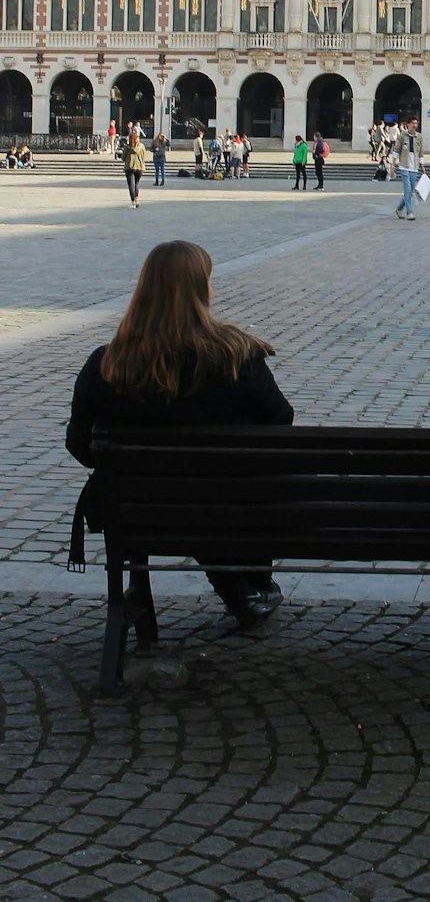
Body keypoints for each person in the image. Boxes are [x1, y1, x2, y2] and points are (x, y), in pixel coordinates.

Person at [66, 240, 292, 630]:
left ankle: (242, 588)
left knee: (189, 495)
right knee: (237, 487)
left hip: (136, 512)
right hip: (234, 506)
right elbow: (280, 424)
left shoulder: (107, 364)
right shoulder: (238, 356)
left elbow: (79, 444)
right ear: (203, 289)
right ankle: (251, 582)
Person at [393, 116, 425, 220]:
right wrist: (393, 165)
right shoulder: (402, 135)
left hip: (414, 166)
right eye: (412, 123)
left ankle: (399, 208)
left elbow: (420, 152)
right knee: (407, 190)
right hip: (404, 165)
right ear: (408, 124)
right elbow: (397, 149)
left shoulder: (419, 137)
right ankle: (409, 212)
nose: (414, 125)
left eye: (416, 123)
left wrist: (422, 165)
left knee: (410, 191)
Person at [122, 126, 146, 208]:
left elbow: (123, 158)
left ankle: (133, 202)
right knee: (136, 184)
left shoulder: (127, 147)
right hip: (140, 167)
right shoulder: (142, 146)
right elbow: (144, 156)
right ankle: (137, 200)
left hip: (129, 167)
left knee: (131, 185)